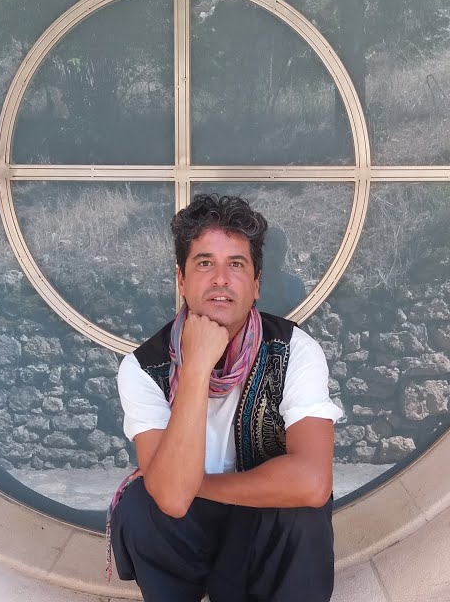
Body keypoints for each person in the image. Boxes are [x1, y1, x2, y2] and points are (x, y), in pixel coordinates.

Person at [106, 193, 343, 602]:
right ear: (181, 279)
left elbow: (312, 482)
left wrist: (195, 484)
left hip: (261, 519)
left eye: (236, 264)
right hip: (188, 531)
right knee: (141, 505)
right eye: (204, 263)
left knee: (301, 512)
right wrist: (197, 368)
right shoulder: (144, 367)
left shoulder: (293, 350)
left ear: (256, 283)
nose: (221, 279)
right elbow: (170, 498)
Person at [255, 223, 307, 318]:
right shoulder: (247, 285)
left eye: (277, 248)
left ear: (284, 251)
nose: (272, 254)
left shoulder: (295, 286)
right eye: (269, 248)